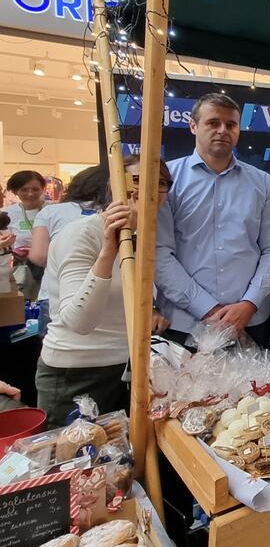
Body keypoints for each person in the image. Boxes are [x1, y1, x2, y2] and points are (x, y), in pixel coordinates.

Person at [37, 156, 171, 427]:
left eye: (160, 182)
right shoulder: (81, 234)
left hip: (125, 371)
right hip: (76, 375)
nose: (149, 189)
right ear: (115, 185)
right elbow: (79, 321)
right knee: (76, 454)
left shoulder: (144, 238)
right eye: (137, 180)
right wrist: (108, 250)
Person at [156, 93, 270, 348]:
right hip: (186, 324)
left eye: (231, 124)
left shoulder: (263, 183)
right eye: (213, 123)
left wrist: (249, 303)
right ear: (193, 126)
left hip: (250, 320)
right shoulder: (166, 180)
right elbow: (159, 254)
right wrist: (208, 308)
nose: (223, 130)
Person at [29, 166, 109, 333]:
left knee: (58, 341)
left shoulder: (50, 212)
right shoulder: (112, 212)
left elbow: (38, 255)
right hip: (106, 294)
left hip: (54, 292)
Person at [3, 170, 47, 300]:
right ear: (15, 191)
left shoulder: (54, 210)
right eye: (24, 190)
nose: (30, 194)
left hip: (49, 264)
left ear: (43, 189)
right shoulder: (6, 214)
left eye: (35, 189)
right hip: (21, 267)